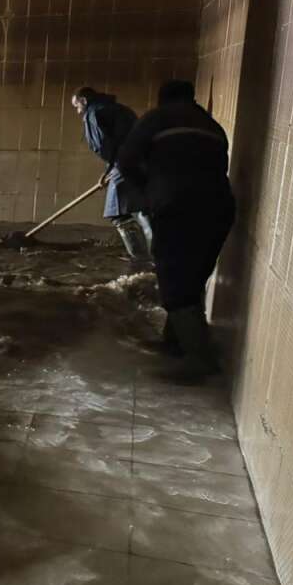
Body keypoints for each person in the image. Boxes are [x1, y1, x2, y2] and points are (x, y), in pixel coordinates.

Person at [118, 80, 236, 384]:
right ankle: (176, 343)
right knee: (192, 277)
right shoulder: (211, 125)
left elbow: (126, 160)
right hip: (220, 209)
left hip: (178, 207)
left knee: (174, 279)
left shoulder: (157, 118)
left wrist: (147, 193)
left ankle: (199, 360)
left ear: (162, 99)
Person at [71, 87, 152, 268]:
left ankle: (142, 261)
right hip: (143, 162)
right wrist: (108, 172)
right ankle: (156, 257)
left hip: (125, 164)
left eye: (77, 106)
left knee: (117, 213)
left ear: (84, 101)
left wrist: (112, 170)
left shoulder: (93, 114)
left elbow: (104, 146)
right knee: (142, 208)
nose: (78, 111)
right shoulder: (121, 109)